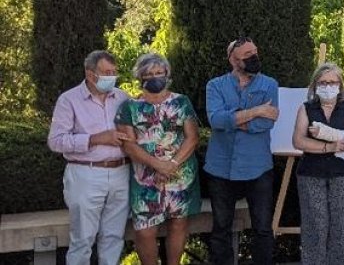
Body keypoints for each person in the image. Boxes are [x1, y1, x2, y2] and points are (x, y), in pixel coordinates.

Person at [47, 50, 132, 265]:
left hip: (121, 171)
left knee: (113, 237)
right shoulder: (69, 100)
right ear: (89, 74)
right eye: (106, 72)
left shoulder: (122, 97)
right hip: (85, 172)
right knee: (82, 240)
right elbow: (55, 141)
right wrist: (95, 139)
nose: (111, 77)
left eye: (114, 72)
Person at [116, 53, 201, 265]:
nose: (155, 77)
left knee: (178, 225)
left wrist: (171, 164)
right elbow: (129, 144)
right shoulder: (129, 107)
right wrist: (158, 165)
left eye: (159, 73)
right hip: (145, 178)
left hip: (179, 175)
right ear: (140, 77)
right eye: (149, 74)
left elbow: (192, 138)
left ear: (167, 74)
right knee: (145, 231)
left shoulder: (181, 102)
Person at [205, 37, 280, 265]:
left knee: (262, 228)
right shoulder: (215, 85)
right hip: (221, 168)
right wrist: (256, 110)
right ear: (233, 60)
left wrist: (234, 118)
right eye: (247, 55)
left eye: (255, 52)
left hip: (258, 167)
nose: (254, 57)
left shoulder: (269, 84)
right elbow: (216, 120)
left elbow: (266, 124)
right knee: (221, 228)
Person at [291, 63, 344, 265]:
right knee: (315, 225)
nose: (328, 86)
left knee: (340, 226)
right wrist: (329, 146)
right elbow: (298, 141)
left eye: (332, 82)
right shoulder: (306, 108)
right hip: (311, 174)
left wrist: (327, 135)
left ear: (340, 85)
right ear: (315, 85)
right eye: (323, 82)